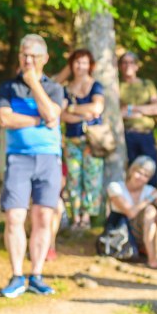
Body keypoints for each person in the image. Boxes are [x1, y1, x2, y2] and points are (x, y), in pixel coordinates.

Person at [0, 34, 65, 298]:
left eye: (33, 56)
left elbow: (52, 114)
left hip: (48, 158)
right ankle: (16, 276)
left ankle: (36, 275)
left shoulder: (55, 88)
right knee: (14, 216)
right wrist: (37, 120)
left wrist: (34, 84)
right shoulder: (7, 87)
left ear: (44, 59)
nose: (27, 60)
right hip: (18, 158)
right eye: (24, 55)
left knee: (43, 217)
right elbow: (4, 119)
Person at [60, 49, 105, 231]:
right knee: (74, 177)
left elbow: (97, 107)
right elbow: (63, 115)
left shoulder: (96, 86)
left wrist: (72, 109)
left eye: (84, 62)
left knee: (92, 177)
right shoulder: (66, 89)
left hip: (91, 140)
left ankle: (87, 216)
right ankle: (76, 216)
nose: (80, 66)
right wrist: (83, 113)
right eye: (77, 62)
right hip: (72, 139)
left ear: (90, 65)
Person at [107, 156, 157, 271]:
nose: (141, 178)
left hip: (143, 233)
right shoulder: (116, 187)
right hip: (123, 233)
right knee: (150, 210)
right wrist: (149, 199)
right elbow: (131, 212)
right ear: (132, 170)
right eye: (139, 172)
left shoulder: (149, 190)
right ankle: (153, 258)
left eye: (146, 176)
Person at [119, 51, 157, 188]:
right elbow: (118, 113)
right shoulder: (117, 86)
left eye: (131, 62)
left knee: (150, 170)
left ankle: (152, 204)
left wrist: (132, 109)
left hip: (145, 134)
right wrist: (144, 110)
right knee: (132, 172)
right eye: (124, 62)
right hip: (127, 135)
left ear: (137, 66)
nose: (128, 66)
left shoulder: (147, 84)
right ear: (120, 66)